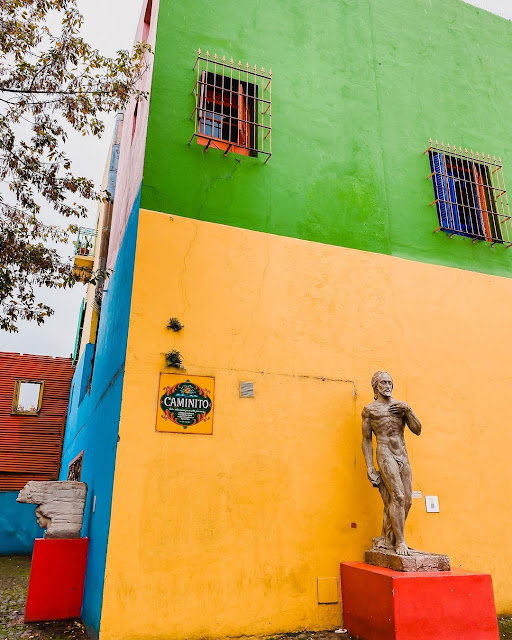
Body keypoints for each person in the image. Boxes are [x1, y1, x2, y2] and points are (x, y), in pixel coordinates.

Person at [361, 371, 421, 556]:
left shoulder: (400, 407)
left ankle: (389, 539)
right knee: (398, 496)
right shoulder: (370, 410)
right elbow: (366, 439)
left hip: (402, 453)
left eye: (390, 383)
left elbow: (417, 430)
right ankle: (400, 542)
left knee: (407, 501)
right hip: (385, 452)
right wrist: (370, 466)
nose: (387, 386)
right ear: (375, 386)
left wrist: (409, 410)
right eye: (383, 383)